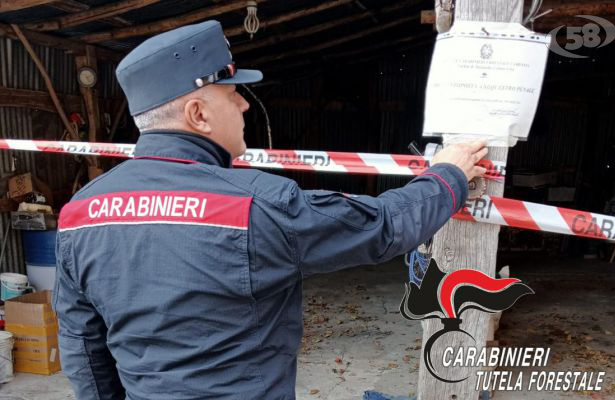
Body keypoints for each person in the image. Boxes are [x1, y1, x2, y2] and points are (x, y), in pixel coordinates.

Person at [54, 20, 487, 400]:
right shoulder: (256, 205)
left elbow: (83, 349)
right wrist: (448, 175)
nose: (244, 104)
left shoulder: (79, 214)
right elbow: (382, 227)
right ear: (198, 113)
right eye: (233, 93)